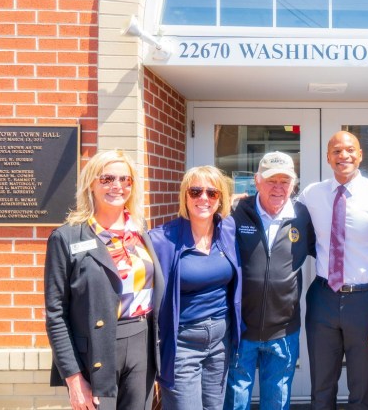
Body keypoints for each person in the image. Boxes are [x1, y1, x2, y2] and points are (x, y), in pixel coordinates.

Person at [44, 149, 164, 410]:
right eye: (107, 179)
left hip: (141, 344)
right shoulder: (67, 238)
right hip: (96, 350)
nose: (117, 186)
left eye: (125, 179)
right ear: (91, 183)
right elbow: (55, 314)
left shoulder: (141, 233)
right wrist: (74, 380)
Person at [298, 131, 368, 410]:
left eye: (349, 150)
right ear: (327, 157)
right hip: (322, 297)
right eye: (336, 151)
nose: (343, 156)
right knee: (321, 386)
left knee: (361, 388)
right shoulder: (312, 194)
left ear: (360, 155)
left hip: (367, 301)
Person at [224, 152, 316, 410]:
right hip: (242, 329)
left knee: (277, 401)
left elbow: (328, 252)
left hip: (283, 331)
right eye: (271, 180)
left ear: (293, 184)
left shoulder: (302, 216)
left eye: (284, 181)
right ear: (256, 182)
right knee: (235, 402)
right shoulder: (236, 212)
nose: (278, 188)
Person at [149, 166, 241, 410]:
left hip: (221, 339)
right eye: (196, 191)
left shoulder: (228, 230)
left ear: (221, 198)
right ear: (185, 196)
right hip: (182, 343)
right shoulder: (161, 240)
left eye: (212, 193)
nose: (204, 198)